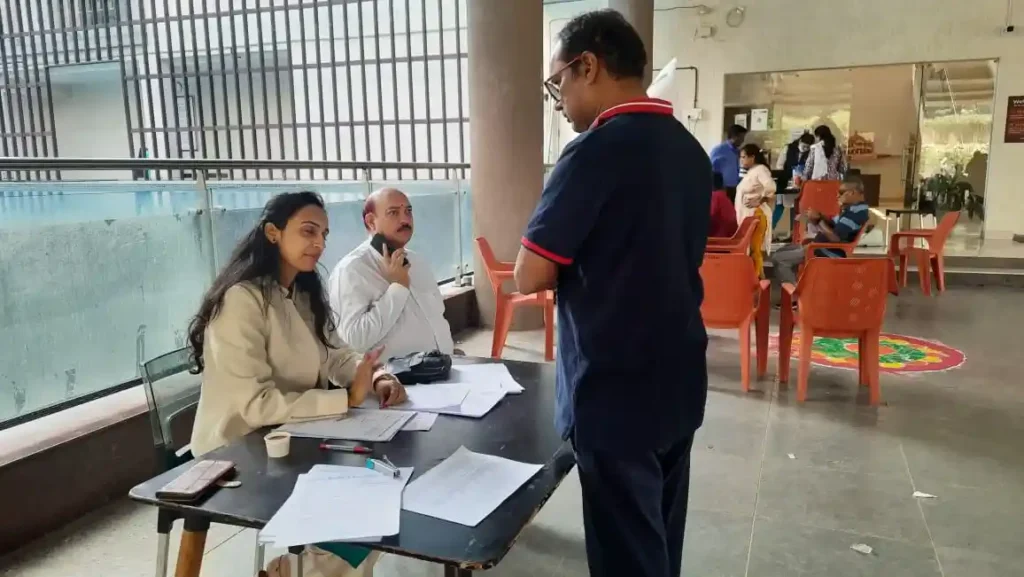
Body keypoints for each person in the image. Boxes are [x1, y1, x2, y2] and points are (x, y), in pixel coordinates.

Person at [520, 10, 709, 577]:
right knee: (657, 539)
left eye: (557, 83)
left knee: (626, 555)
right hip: (677, 381)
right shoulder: (689, 152)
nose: (557, 99)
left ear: (588, 66)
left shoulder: (594, 152)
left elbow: (529, 274)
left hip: (615, 393)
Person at [186, 191, 407, 577]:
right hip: (240, 452)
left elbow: (337, 354)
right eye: (308, 231)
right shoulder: (242, 300)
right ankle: (297, 571)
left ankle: (297, 570)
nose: (319, 243)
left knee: (384, 491)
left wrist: (376, 376)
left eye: (323, 233)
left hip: (295, 437)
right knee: (359, 506)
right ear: (273, 233)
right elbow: (256, 405)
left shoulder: (303, 293)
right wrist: (342, 398)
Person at [328, 188, 455, 359]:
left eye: (408, 211)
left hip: (445, 369)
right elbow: (354, 341)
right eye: (393, 213)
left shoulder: (417, 261)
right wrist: (398, 288)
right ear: (371, 222)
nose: (405, 219)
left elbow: (437, 317)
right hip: (396, 381)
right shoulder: (352, 270)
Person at [770, 175, 870, 287]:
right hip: (819, 245)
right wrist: (819, 216)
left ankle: (796, 295)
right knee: (780, 252)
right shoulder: (853, 209)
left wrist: (818, 221)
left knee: (778, 259)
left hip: (825, 251)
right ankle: (799, 287)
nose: (838, 196)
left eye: (841, 193)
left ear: (851, 193)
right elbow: (834, 223)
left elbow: (835, 238)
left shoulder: (855, 214)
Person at [735, 144, 776, 277]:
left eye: (744, 157)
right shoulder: (752, 171)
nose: (741, 160)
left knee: (754, 250)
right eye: (740, 157)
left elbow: (771, 187)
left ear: (753, 157)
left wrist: (759, 200)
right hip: (748, 215)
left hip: (756, 215)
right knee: (752, 250)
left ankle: (756, 282)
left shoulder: (761, 170)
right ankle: (759, 279)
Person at [773, 132, 815, 231]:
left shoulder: (809, 154)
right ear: (800, 141)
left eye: (807, 148)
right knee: (780, 206)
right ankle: (770, 230)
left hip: (800, 184)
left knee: (796, 208)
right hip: (784, 181)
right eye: (804, 146)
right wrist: (788, 174)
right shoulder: (788, 149)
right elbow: (779, 165)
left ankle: (794, 233)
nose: (805, 149)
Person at [710, 124, 747, 203]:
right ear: (734, 137)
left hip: (735, 188)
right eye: (742, 137)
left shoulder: (737, 151)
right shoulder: (719, 150)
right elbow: (711, 171)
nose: (743, 140)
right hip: (723, 189)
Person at [709, 171, 738, 238]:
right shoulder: (722, 195)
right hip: (727, 236)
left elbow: (708, 218)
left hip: (720, 238)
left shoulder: (715, 196)